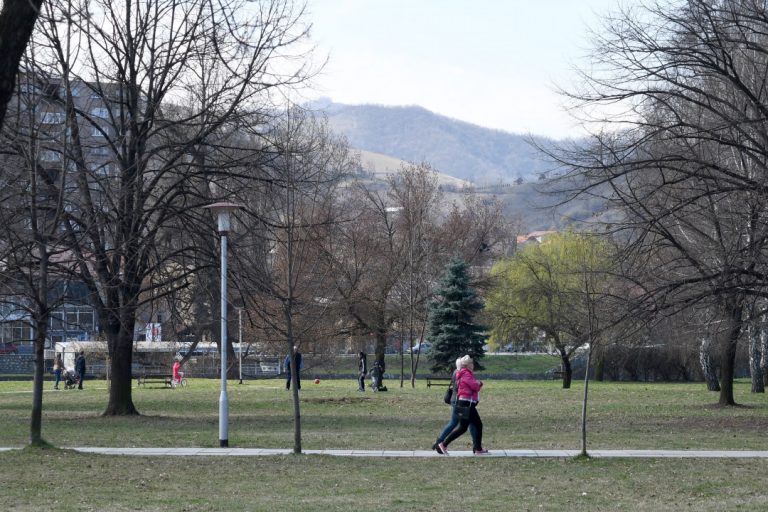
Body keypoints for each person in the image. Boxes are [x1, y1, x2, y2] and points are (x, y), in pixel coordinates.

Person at [437, 355, 488, 455]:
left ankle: (444, 444)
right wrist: (479, 383)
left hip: (464, 402)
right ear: (467, 365)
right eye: (471, 363)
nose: (473, 365)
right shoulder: (466, 374)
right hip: (466, 403)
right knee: (477, 425)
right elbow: (474, 386)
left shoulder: (463, 373)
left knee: (463, 427)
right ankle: (478, 449)